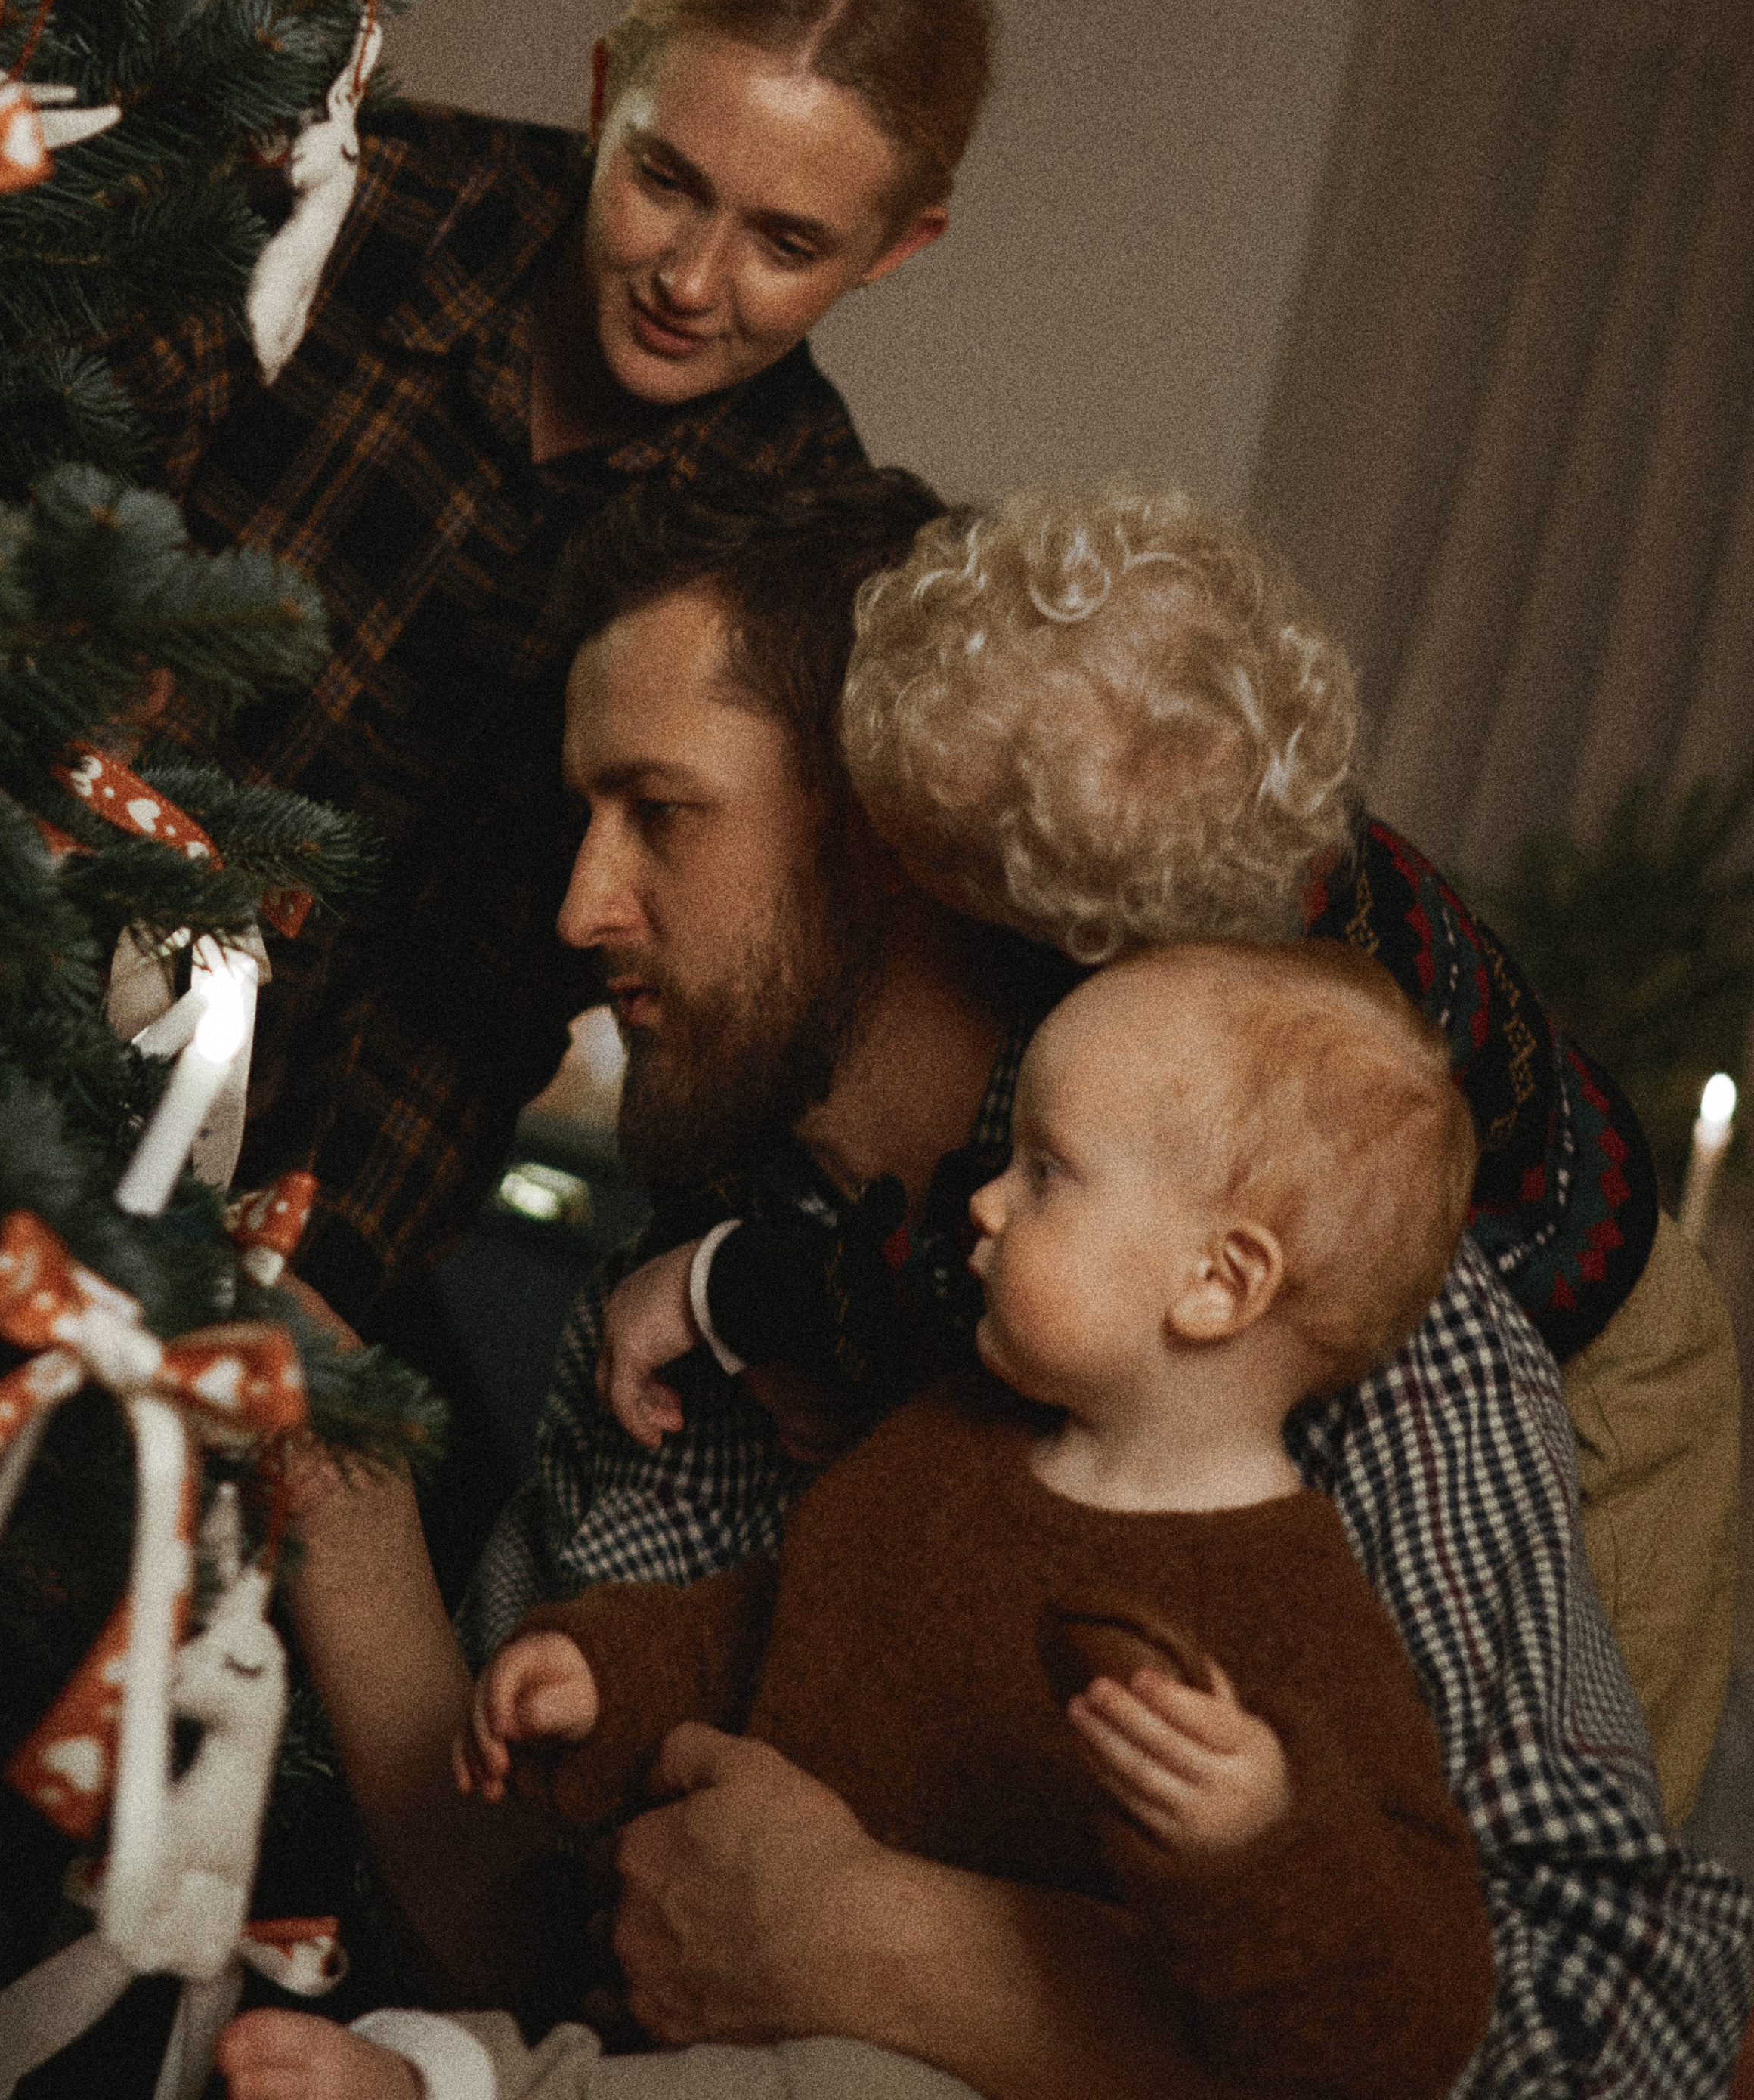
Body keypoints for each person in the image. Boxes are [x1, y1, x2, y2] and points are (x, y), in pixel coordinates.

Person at [284, 472, 1752, 2100]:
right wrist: (325, 1494)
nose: (579, 909)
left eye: (660, 813)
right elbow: (534, 1931)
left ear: (881, 838)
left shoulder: (1285, 1317)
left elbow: (1610, 2052)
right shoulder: (679, 1314)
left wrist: (890, 1951)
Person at [227, 939, 1497, 2100]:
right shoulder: (945, 1445)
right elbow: (768, 1621)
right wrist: (606, 1674)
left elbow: (1419, 2003)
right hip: (702, 2031)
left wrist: (1261, 1836)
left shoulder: (1298, 1603)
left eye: (1046, 1175)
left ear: (1218, 1283)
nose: (984, 1205)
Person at [110, 0, 988, 1334]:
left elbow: (484, 1006)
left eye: (786, 245)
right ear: (602, 92)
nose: (692, 282)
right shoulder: (343, 201)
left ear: (899, 247)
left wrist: (318, 1280)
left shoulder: (793, 551)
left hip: (274, 1205)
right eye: (664, 180)